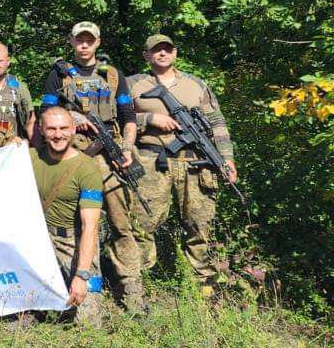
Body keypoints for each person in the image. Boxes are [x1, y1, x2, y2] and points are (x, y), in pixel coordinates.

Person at [127, 34, 239, 303]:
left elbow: (217, 124)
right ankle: (137, 291)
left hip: (196, 164)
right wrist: (149, 119)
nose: (162, 54)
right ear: (147, 56)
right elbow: (119, 118)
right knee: (142, 224)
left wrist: (226, 159)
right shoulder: (131, 84)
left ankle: (204, 292)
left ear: (175, 53)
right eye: (156, 51)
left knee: (200, 226)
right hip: (151, 162)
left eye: (167, 49)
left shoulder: (196, 85)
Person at [40, 21, 138, 304]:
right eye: (79, 40)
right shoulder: (59, 75)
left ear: (97, 43)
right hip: (76, 156)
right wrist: (75, 120)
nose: (84, 45)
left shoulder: (114, 74)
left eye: (89, 40)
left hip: (112, 157)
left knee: (122, 224)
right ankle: (87, 288)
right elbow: (47, 113)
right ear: (71, 42)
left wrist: (127, 148)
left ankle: (130, 290)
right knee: (79, 224)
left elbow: (128, 116)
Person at [28, 106, 104, 325]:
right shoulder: (30, 158)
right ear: (41, 130)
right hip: (39, 239)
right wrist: (11, 143)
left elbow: (90, 227)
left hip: (73, 240)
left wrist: (81, 275)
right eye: (51, 129)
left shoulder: (87, 169)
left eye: (63, 128)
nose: (58, 134)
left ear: (73, 129)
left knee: (87, 320)